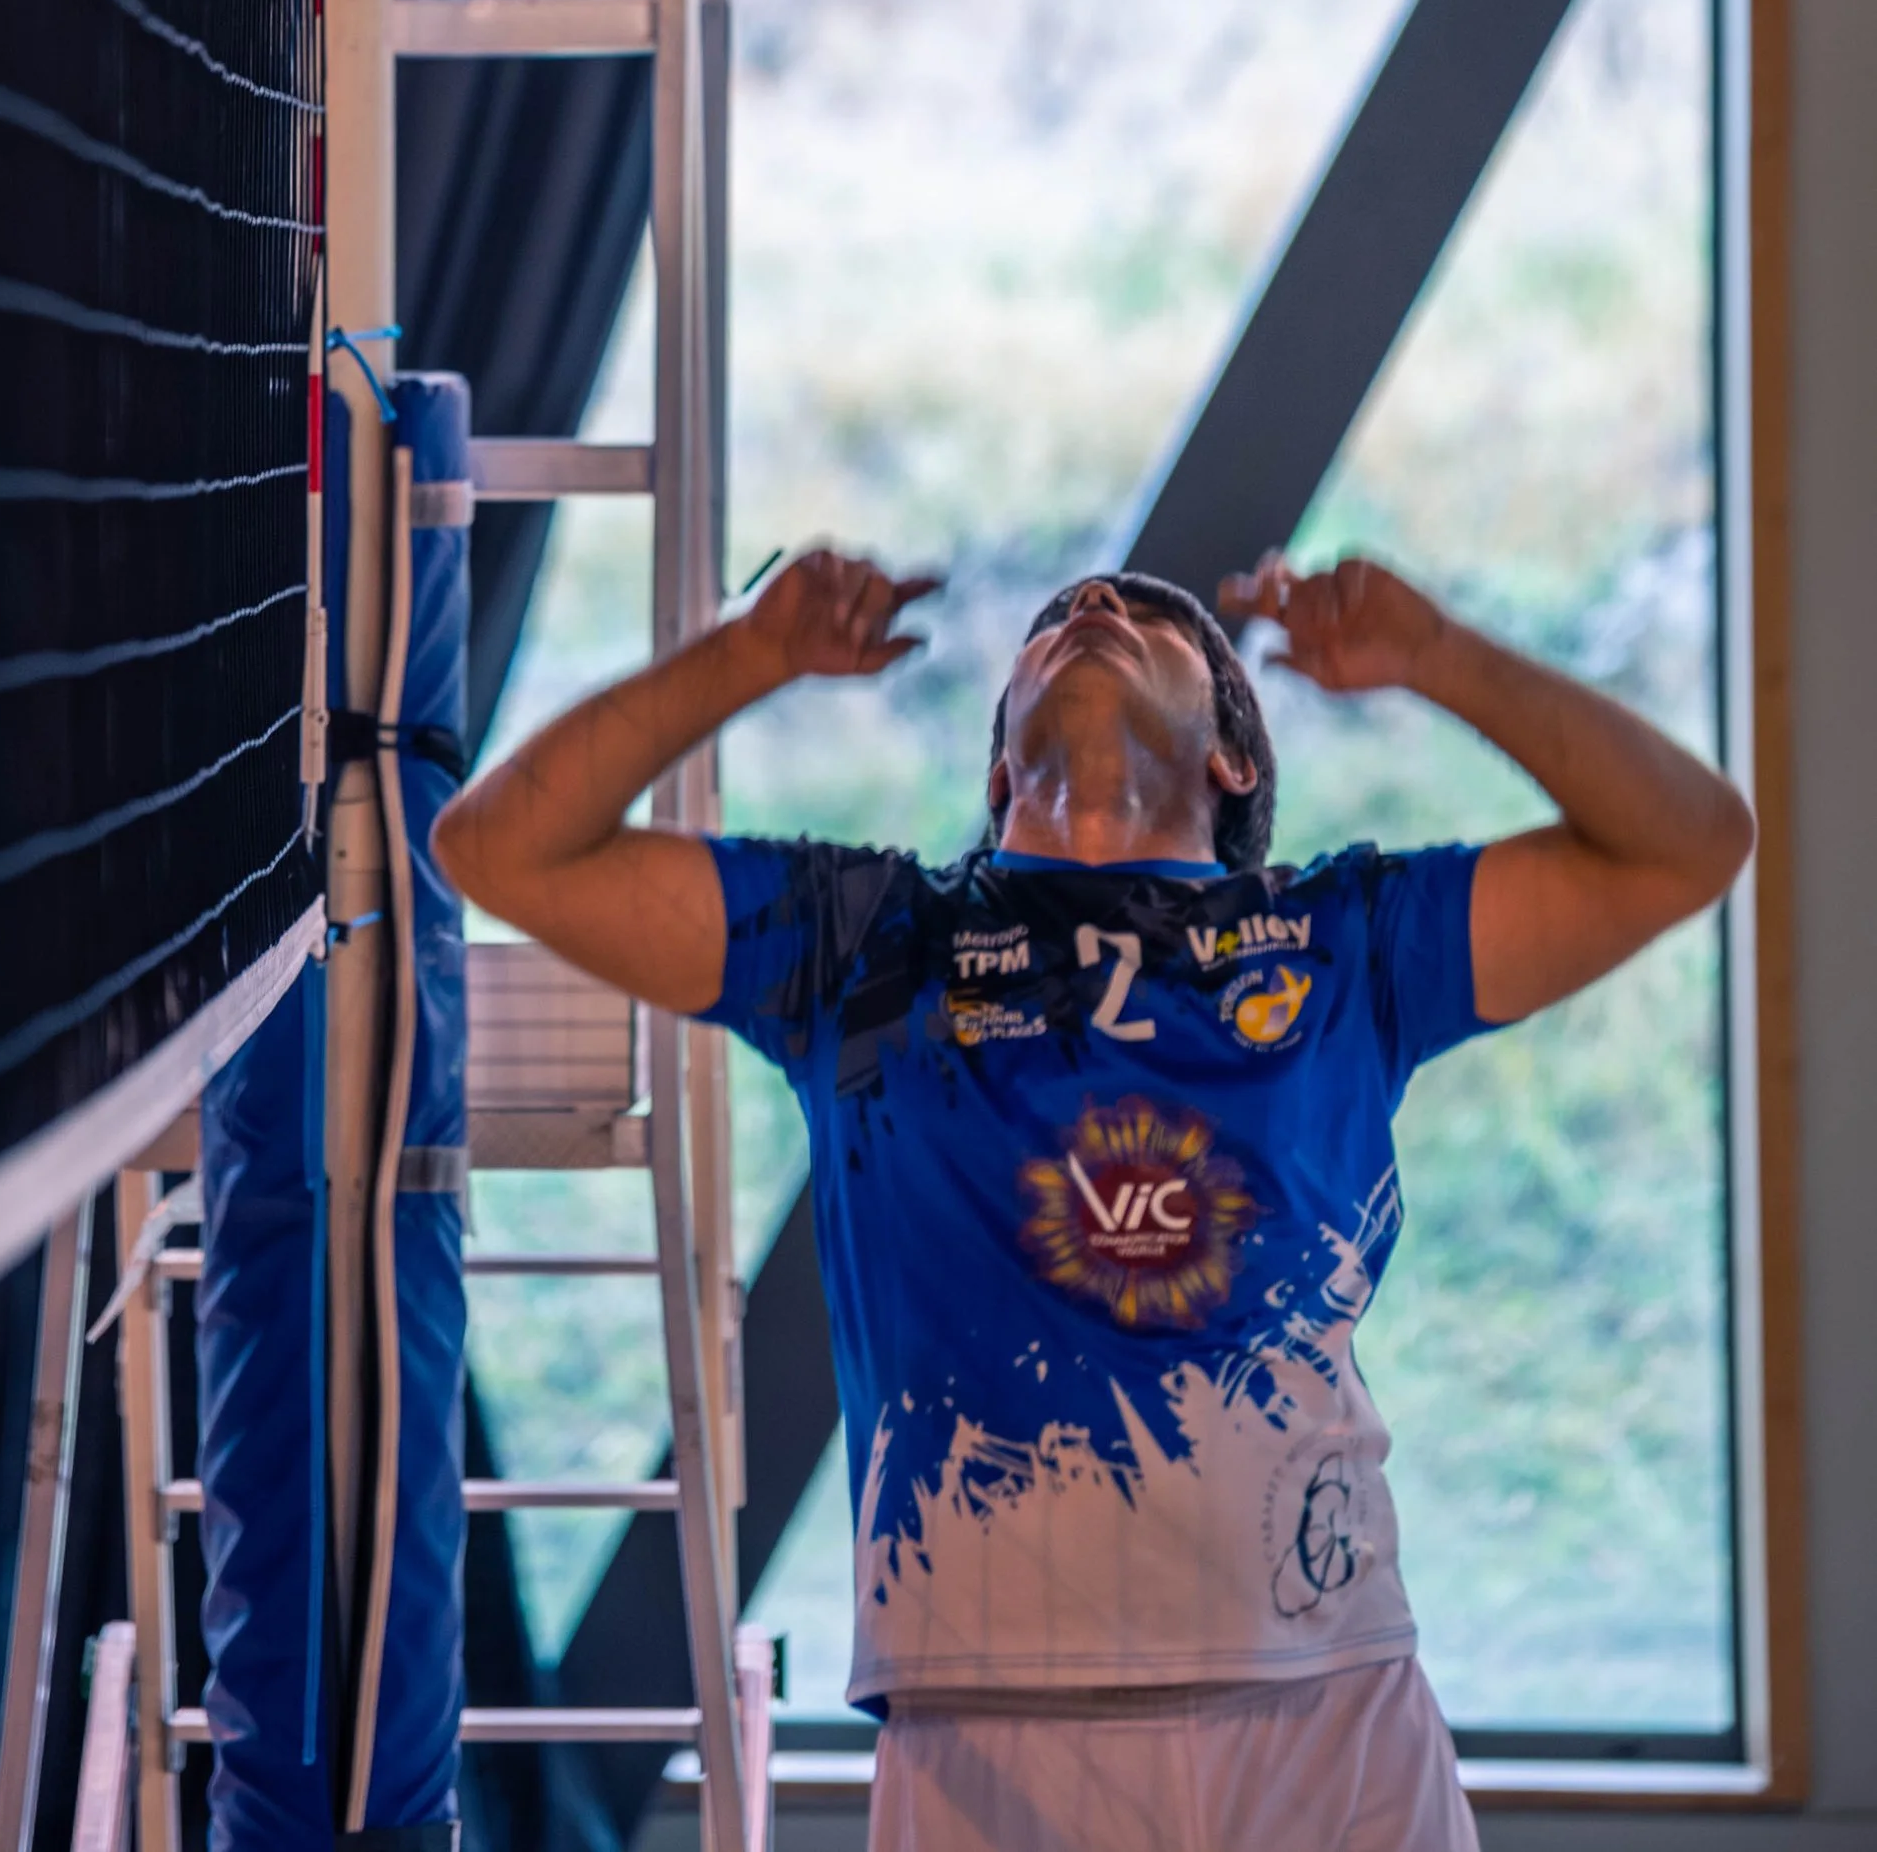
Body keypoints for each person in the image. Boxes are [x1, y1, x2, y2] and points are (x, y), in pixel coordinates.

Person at [432, 547, 1754, 1852]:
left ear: (1233, 759)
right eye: (1061, 615)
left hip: (1328, 1706)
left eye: (1155, 617)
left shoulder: (1350, 939)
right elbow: (498, 848)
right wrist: (752, 654)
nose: (1100, 604)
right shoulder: (869, 946)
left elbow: (1691, 843)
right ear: (1003, 764)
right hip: (984, 1728)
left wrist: (1443, 658)